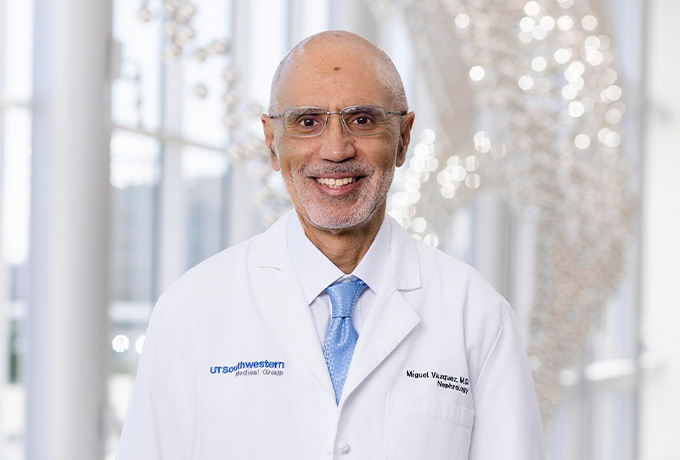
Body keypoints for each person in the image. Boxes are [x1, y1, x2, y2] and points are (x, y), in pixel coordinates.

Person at [116, 30, 545, 460]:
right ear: (271, 141)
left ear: (403, 137)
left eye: (362, 120)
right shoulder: (191, 310)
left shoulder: (478, 316)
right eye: (308, 121)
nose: (336, 149)